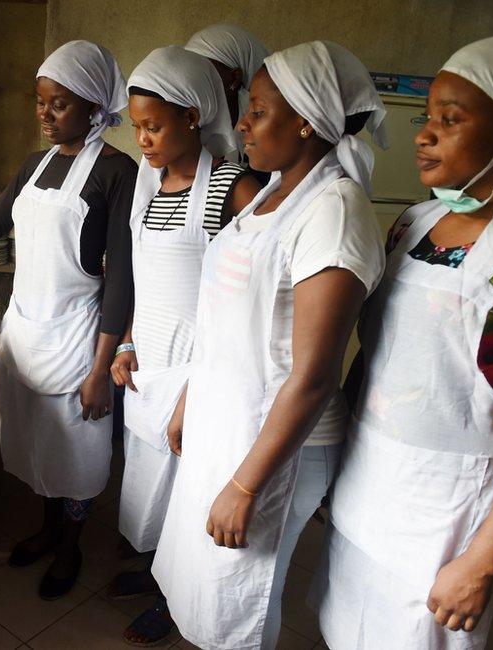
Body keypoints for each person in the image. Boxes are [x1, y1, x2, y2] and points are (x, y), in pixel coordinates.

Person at [312, 33, 493, 649]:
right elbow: (374, 355)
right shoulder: (416, 221)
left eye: (450, 119)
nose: (424, 134)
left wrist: (483, 560)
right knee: (346, 626)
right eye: (428, 116)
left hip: (454, 509)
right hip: (369, 477)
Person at [151, 41, 387, 649]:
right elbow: (229, 321)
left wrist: (247, 485)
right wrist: (189, 402)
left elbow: (313, 374)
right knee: (207, 582)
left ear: (306, 119)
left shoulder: (333, 210)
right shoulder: (272, 192)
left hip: (275, 445)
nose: (244, 124)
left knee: (241, 597)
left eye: (258, 110)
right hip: (227, 424)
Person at [0, 40, 137, 600]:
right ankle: (46, 528)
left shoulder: (117, 173)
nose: (44, 113)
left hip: (78, 337)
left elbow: (122, 282)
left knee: (79, 456)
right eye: (39, 102)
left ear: (92, 105)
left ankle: (70, 546)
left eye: (58, 104)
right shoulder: (34, 166)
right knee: (39, 443)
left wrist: (99, 371)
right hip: (26, 331)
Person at [106, 45, 264, 646]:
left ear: (194, 117)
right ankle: (154, 574)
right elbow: (140, 280)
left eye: (154, 126)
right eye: (138, 125)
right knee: (150, 488)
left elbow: (243, 306)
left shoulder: (235, 188)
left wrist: (197, 391)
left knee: (191, 496)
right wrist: (123, 345)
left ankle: (178, 604)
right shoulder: (148, 183)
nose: (142, 139)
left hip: (200, 374)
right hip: (149, 365)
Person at [185, 22, 269, 172]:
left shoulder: (268, 138)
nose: (196, 85)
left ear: (234, 78)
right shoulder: (188, 127)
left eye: (207, 76)